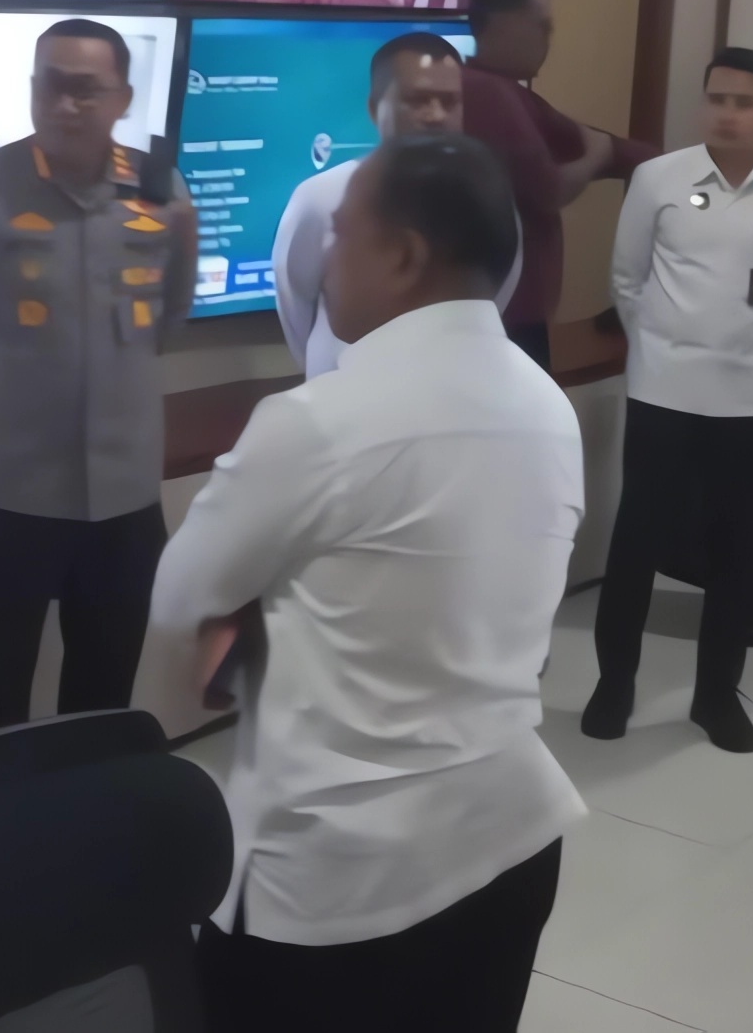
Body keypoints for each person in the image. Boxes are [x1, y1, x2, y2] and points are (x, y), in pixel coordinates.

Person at [155, 135, 584, 1031]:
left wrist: (250, 618)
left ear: (404, 256)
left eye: (341, 234)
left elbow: (181, 596)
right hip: (508, 841)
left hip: (343, 884)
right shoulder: (549, 406)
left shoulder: (320, 423)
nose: (325, 259)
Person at [0, 20, 198, 742]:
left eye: (85, 89)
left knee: (103, 704)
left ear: (122, 98)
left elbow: (171, 311)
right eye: (50, 86)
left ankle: (84, 816)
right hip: (8, 495)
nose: (65, 104)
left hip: (124, 499)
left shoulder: (160, 190)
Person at [586, 49, 753, 754]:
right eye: (716, 98)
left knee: (736, 547)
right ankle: (614, 683)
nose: (727, 113)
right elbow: (627, 279)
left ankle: (716, 696)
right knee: (637, 539)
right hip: (662, 387)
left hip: (752, 395)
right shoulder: (658, 177)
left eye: (744, 102)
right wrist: (665, 345)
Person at [272, 31, 521, 378]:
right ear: (375, 109)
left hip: (448, 386)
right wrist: (323, 366)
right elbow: (294, 299)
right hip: (340, 387)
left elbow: (493, 298)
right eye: (417, 100)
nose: (436, 116)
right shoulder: (320, 196)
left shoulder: (488, 200)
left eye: (450, 102)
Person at [463, 0, 657, 369]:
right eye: (542, 26)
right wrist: (596, 158)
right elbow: (550, 188)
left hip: (510, 312)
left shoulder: (508, 94)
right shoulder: (487, 93)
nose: (548, 40)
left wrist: (684, 166)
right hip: (506, 314)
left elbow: (587, 142)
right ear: (503, 23)